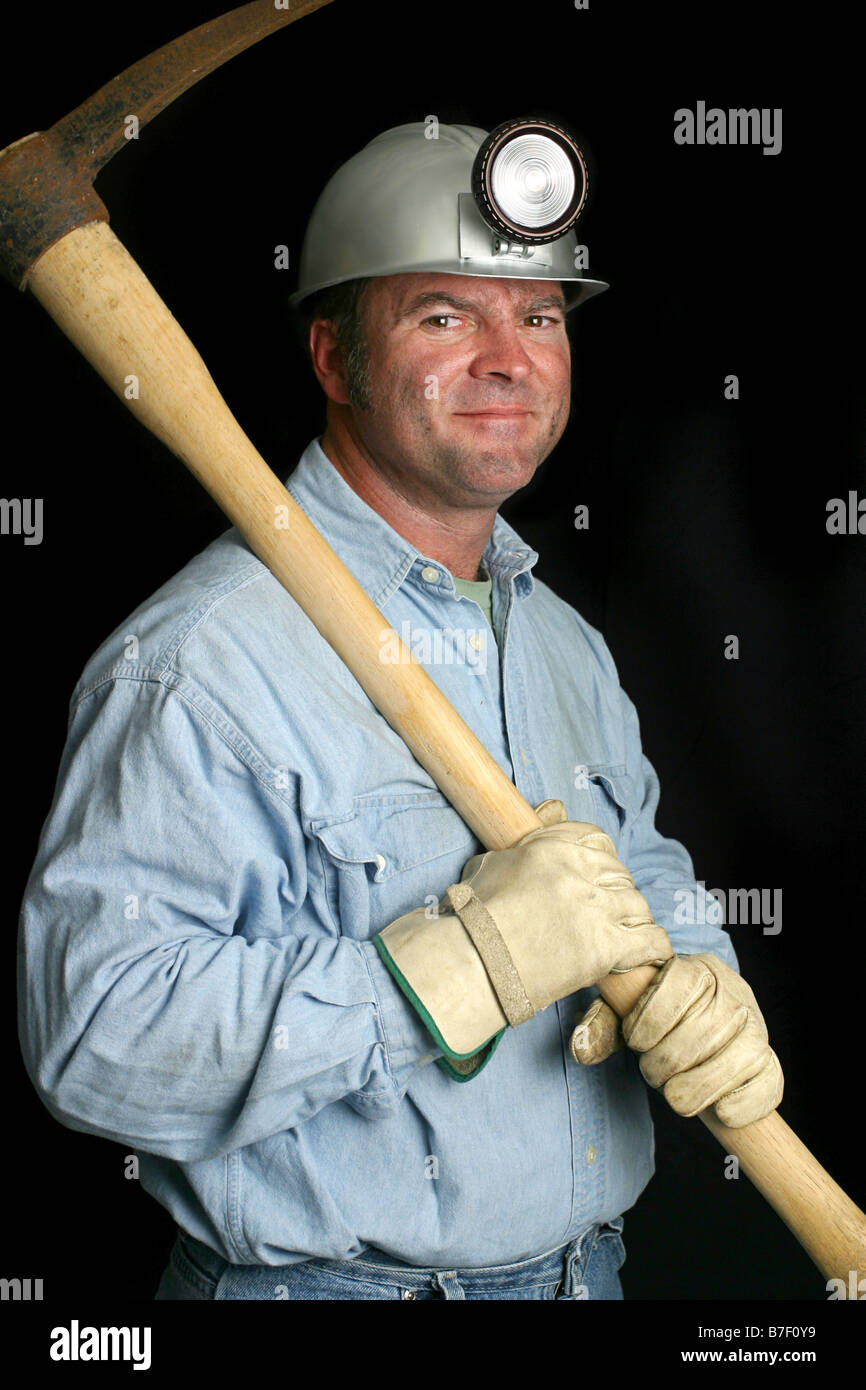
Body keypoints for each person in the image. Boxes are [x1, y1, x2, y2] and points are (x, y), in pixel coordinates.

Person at [17, 119, 783, 1302]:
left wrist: (697, 974)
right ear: (332, 358)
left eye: (538, 317)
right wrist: (443, 971)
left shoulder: (561, 645)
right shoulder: (197, 662)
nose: (506, 357)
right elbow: (94, 1037)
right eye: (443, 316)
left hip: (592, 1278)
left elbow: (637, 869)